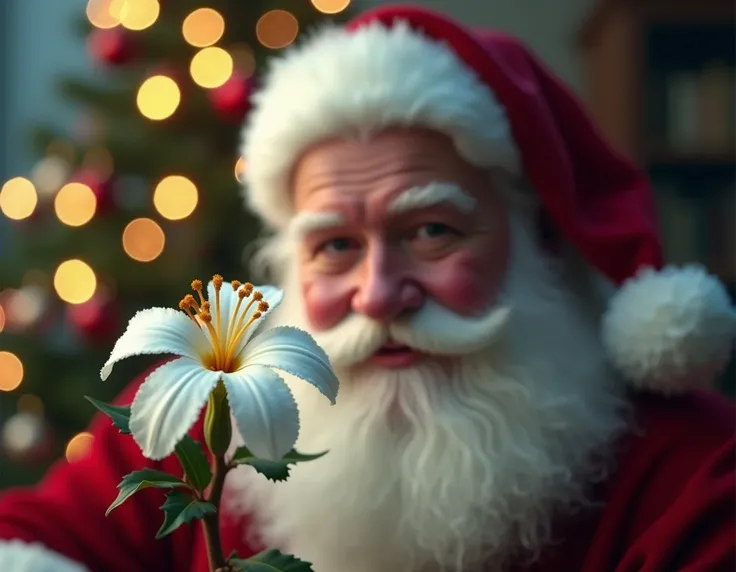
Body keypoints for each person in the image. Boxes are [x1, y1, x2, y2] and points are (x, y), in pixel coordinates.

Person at [1, 4, 734, 571]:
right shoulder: (200, 417)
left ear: (537, 242)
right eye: (336, 246)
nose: (378, 293)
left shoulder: (694, 474)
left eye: (432, 232)